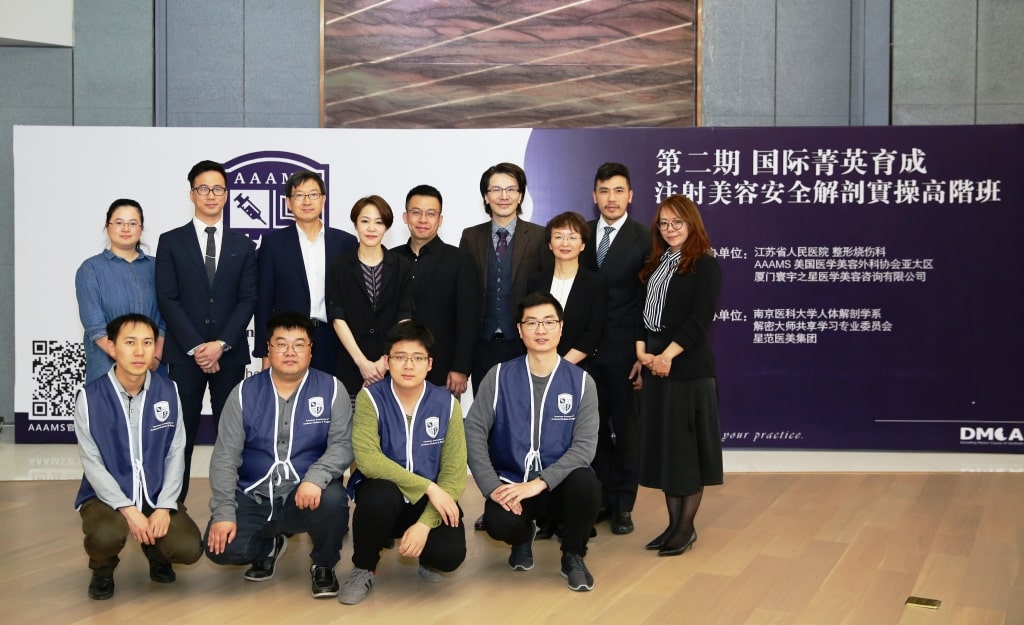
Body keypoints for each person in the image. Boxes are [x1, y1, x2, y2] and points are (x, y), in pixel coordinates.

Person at [204, 312, 353, 598]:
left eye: (299, 344)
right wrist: (223, 512)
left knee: (333, 499)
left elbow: (343, 446)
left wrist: (315, 478)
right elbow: (224, 457)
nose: (290, 352)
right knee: (220, 549)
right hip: (254, 493)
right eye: (281, 344)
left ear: (311, 349)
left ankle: (323, 565)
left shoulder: (333, 389)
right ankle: (267, 545)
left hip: (305, 496)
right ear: (268, 349)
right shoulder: (244, 392)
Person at [465, 292, 601, 592]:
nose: (541, 330)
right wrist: (492, 487)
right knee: (499, 523)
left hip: (558, 484)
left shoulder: (581, 382)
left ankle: (573, 555)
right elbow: (473, 430)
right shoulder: (499, 376)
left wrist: (539, 483)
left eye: (549, 322)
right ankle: (521, 536)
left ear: (561, 328)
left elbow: (584, 448)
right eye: (532, 322)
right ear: (519, 329)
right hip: (512, 484)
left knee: (587, 485)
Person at [73, 313, 202, 600]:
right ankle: (102, 570)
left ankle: (158, 554)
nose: (140, 351)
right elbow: (91, 462)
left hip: (155, 494)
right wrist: (127, 509)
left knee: (189, 548)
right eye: (130, 342)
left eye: (147, 342)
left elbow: (175, 452)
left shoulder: (168, 390)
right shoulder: (90, 396)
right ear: (112, 346)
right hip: (105, 497)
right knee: (106, 535)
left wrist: (165, 505)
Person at [339, 321, 467, 605]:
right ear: (386, 361)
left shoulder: (447, 404)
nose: (408, 365)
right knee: (378, 495)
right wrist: (428, 486)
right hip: (385, 498)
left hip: (424, 503)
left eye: (417, 358)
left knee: (449, 555)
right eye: (400, 357)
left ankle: (427, 557)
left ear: (430, 364)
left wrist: (425, 524)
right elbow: (368, 460)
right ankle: (364, 567)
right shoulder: (370, 397)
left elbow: (455, 475)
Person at [155, 160, 258, 503]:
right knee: (178, 436)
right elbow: (167, 299)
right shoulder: (170, 242)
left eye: (217, 189)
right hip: (185, 357)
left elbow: (248, 299)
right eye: (203, 188)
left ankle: (231, 506)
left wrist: (221, 345)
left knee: (232, 437)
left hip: (229, 357)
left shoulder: (243, 244)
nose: (210, 195)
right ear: (191, 194)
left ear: (227, 195)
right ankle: (171, 506)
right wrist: (199, 347)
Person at [635, 194, 723, 557]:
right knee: (667, 449)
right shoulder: (656, 263)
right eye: (664, 223)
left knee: (687, 453)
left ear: (692, 224)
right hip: (655, 365)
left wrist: (668, 355)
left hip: (686, 368)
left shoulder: (705, 264)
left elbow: (699, 320)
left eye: (677, 223)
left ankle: (685, 528)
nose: (670, 230)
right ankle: (672, 526)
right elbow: (642, 315)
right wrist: (643, 354)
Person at [580, 162, 651, 536]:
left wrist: (643, 354)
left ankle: (624, 505)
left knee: (626, 432)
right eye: (604, 191)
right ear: (594, 196)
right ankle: (604, 499)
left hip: (625, 354)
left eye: (618, 190)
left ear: (630, 196)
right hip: (585, 355)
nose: (611, 198)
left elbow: (649, 302)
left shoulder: (645, 239)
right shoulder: (581, 234)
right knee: (590, 433)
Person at [459, 162, 551, 396]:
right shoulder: (470, 237)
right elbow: (464, 295)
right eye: (496, 190)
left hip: (523, 344)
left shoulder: (540, 236)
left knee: (523, 412)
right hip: (482, 344)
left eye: (511, 189)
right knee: (485, 415)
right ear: (486, 197)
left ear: (520, 196)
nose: (504, 196)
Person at [254, 170, 357, 375]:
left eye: (313, 194)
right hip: (289, 340)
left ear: (324, 199)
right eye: (299, 195)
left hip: (333, 338)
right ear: (288, 203)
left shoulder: (345, 243)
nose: (307, 201)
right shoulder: (273, 244)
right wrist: (265, 354)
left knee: (331, 400)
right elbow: (263, 301)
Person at [393, 184, 480, 397]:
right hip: (396, 371)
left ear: (440, 220)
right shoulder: (390, 259)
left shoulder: (460, 260)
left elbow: (469, 319)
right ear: (405, 217)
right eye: (416, 212)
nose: (423, 220)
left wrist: (461, 368)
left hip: (443, 372)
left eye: (431, 214)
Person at [327, 195, 414, 401]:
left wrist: (384, 362)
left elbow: (405, 317)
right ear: (355, 225)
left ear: (386, 227)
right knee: (352, 429)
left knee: (389, 428)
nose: (371, 228)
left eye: (379, 222)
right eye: (365, 221)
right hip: (350, 365)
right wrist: (363, 364)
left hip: (391, 367)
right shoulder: (339, 267)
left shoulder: (402, 266)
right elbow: (337, 317)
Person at [76, 199, 165, 385]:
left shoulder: (158, 267)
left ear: (141, 229)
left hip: (153, 367)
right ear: (107, 227)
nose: (126, 229)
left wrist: (154, 354)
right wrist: (128, 359)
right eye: (119, 223)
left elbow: (166, 316)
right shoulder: (90, 269)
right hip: (107, 367)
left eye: (132, 223)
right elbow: (95, 326)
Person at [527, 211, 606, 367]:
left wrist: (561, 365)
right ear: (550, 244)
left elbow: (593, 333)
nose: (565, 243)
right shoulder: (536, 281)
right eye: (558, 237)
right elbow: (529, 324)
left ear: (583, 244)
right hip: (539, 365)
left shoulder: (595, 283)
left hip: (579, 367)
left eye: (572, 237)